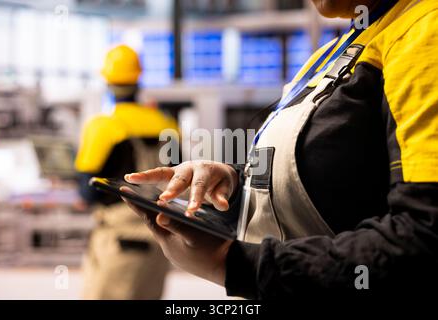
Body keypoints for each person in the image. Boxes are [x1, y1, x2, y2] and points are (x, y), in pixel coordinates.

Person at [121, 0, 438, 299]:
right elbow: (336, 180)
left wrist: (235, 263)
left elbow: (422, 239)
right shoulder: (334, 53)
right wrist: (234, 186)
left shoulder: (424, 30)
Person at [75, 44, 178, 299]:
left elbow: (86, 191)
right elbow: (179, 179)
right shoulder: (167, 125)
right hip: (159, 236)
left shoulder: (103, 127)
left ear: (107, 82)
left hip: (119, 239)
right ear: (138, 79)